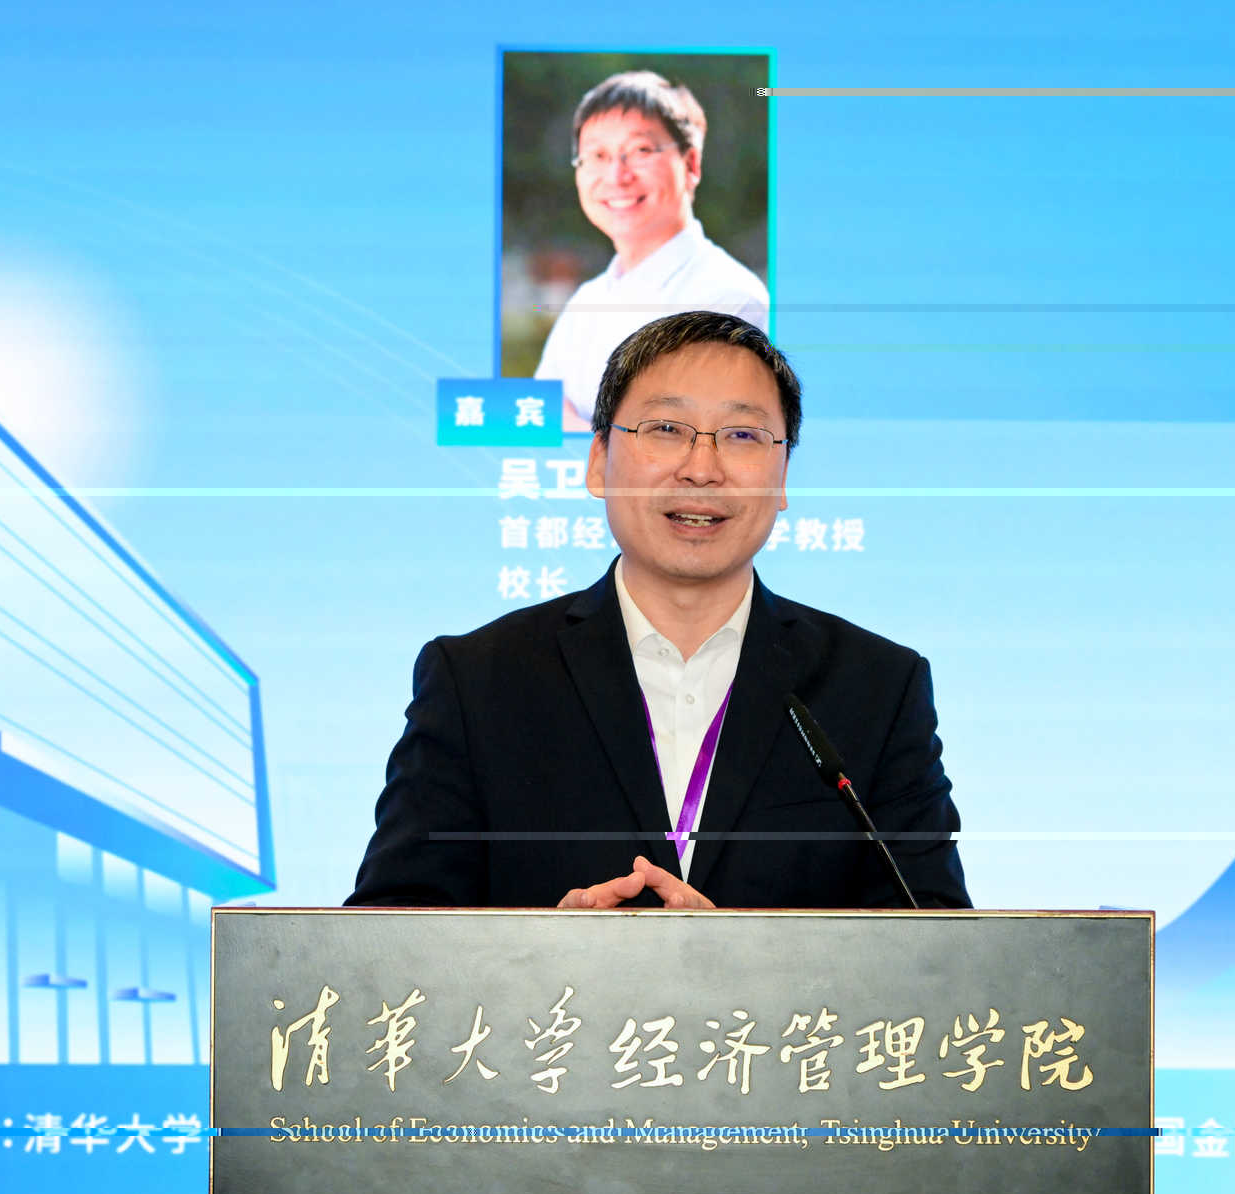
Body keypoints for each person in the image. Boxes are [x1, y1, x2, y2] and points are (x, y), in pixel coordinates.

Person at [349, 311, 968, 911]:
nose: (702, 469)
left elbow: (938, 943)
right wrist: (541, 954)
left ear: (782, 476)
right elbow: (391, 929)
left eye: (743, 435)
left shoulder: (878, 687)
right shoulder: (477, 679)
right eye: (667, 428)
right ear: (598, 461)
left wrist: (739, 958)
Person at [533, 70, 770, 434]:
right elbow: (535, 413)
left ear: (691, 164)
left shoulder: (729, 300)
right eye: (597, 155)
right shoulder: (587, 300)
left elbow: (680, 445)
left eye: (640, 151)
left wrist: (568, 426)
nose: (616, 175)